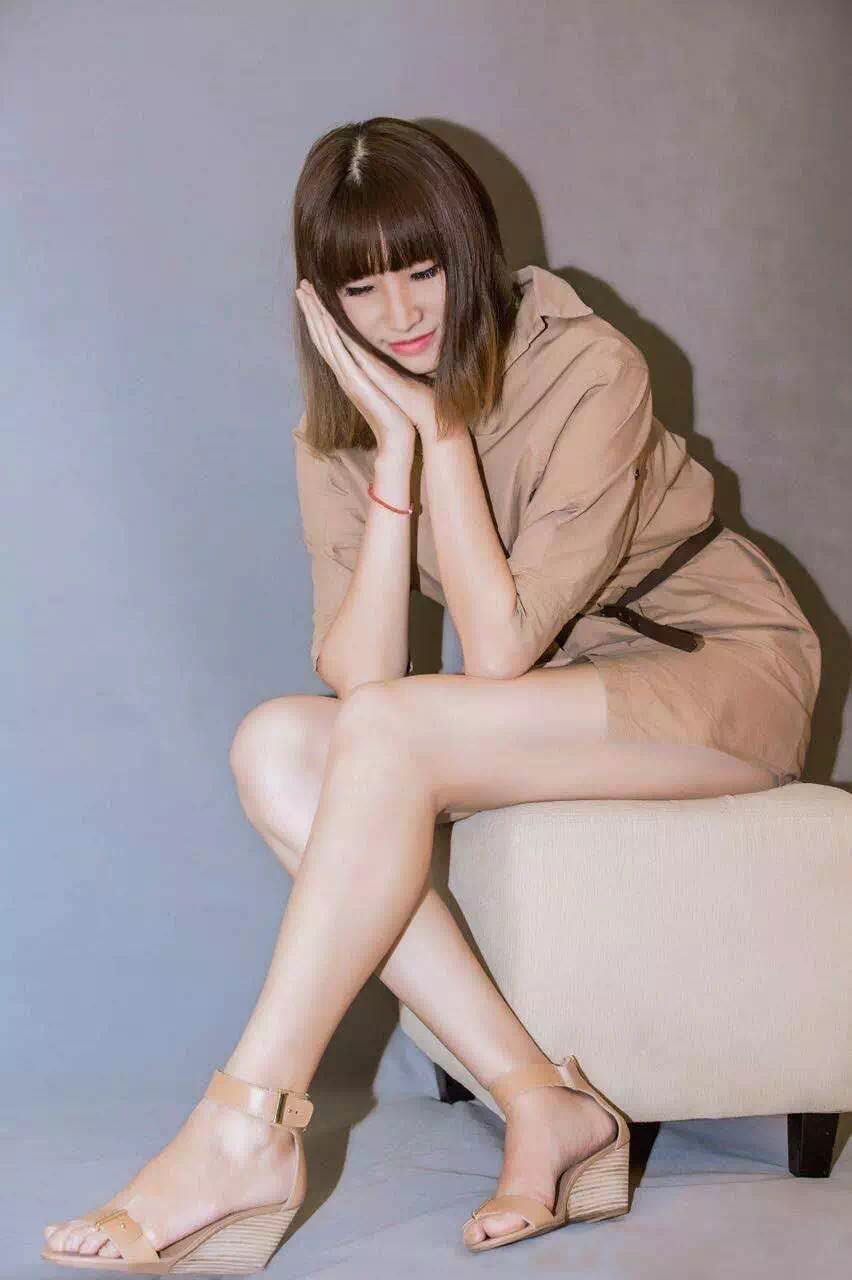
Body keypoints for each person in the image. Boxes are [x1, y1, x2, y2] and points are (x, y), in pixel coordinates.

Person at [42, 117, 821, 1271]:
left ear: (469, 249)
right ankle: (542, 1097)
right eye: (362, 288)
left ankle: (244, 1123)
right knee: (277, 744)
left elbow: (495, 650)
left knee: (384, 731)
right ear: (323, 299)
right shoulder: (339, 427)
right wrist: (394, 459)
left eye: (422, 269)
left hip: (716, 667)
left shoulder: (586, 364)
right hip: (562, 695)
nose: (401, 313)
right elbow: (361, 679)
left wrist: (441, 430)